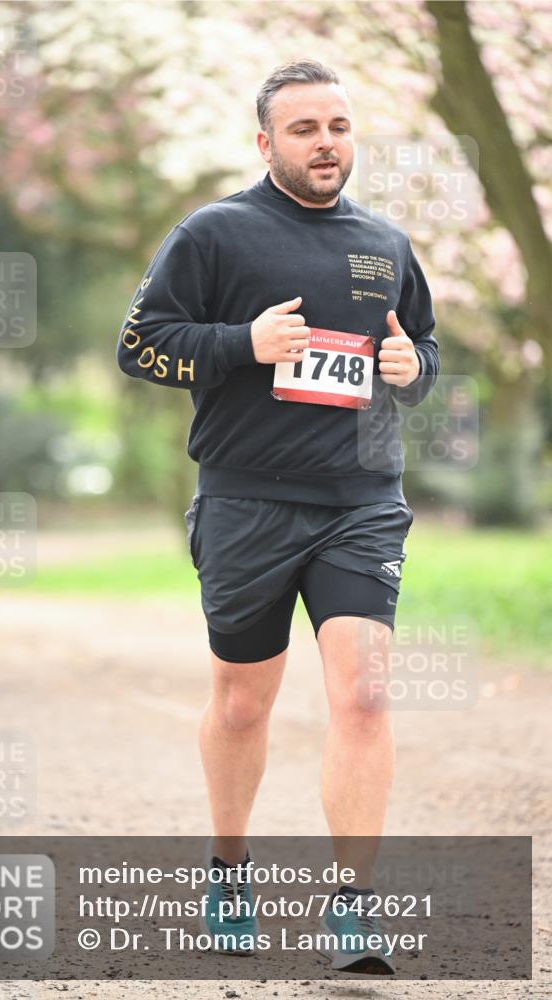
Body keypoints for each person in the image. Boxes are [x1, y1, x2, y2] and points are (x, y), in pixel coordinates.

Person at [117, 59, 439, 975]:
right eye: (304, 129)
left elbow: (420, 346)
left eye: (337, 126)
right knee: (239, 702)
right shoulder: (213, 234)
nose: (325, 144)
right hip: (245, 502)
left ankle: (352, 908)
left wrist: (414, 368)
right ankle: (228, 870)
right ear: (265, 143)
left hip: (360, 503)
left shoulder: (384, 242)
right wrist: (243, 343)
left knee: (363, 696)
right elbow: (140, 346)